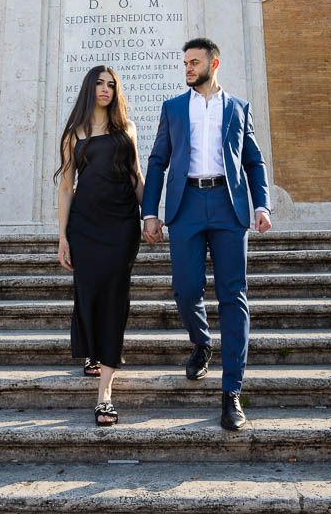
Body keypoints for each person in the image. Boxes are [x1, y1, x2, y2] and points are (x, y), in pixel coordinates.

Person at [141, 38, 271, 431]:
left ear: (214, 63)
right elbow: (158, 160)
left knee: (233, 296)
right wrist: (150, 213)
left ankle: (231, 391)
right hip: (187, 207)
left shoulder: (238, 108)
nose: (187, 68)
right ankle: (202, 341)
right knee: (184, 288)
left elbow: (253, 159)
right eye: (184, 63)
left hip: (229, 206)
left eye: (194, 62)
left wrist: (261, 205)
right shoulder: (174, 108)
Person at [55, 65, 144, 427]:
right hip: (86, 227)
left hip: (122, 225)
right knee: (87, 290)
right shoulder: (74, 134)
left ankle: (105, 393)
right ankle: (91, 353)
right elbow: (65, 187)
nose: (105, 89)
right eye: (99, 84)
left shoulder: (127, 130)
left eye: (111, 85)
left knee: (114, 297)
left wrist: (151, 215)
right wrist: (63, 236)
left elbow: (137, 176)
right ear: (89, 89)